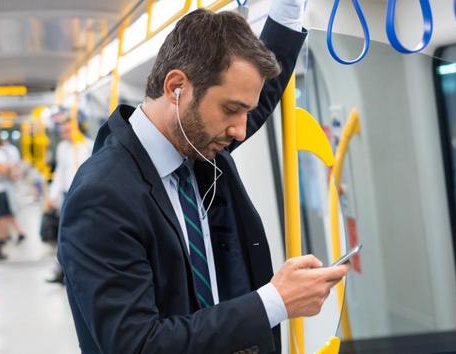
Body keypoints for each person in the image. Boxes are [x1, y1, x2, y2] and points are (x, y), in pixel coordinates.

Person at [58, 5, 350, 354]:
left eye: (244, 111)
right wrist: (275, 301)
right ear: (176, 87)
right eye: (231, 110)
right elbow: (136, 344)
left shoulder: (196, 146)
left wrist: (287, 10)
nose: (241, 129)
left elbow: (257, 98)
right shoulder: (102, 197)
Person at [46, 111, 93, 284]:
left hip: (86, 195)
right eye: (62, 131)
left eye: (67, 131)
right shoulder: (63, 148)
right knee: (64, 234)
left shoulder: (89, 146)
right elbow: (60, 173)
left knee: (85, 233)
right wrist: (52, 195)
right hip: (67, 195)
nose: (64, 134)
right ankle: (61, 270)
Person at [0, 133, 26, 259]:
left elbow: (3, 170)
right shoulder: (4, 151)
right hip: (3, 188)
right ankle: (19, 232)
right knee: (7, 214)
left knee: (1, 216)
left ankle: (2, 241)